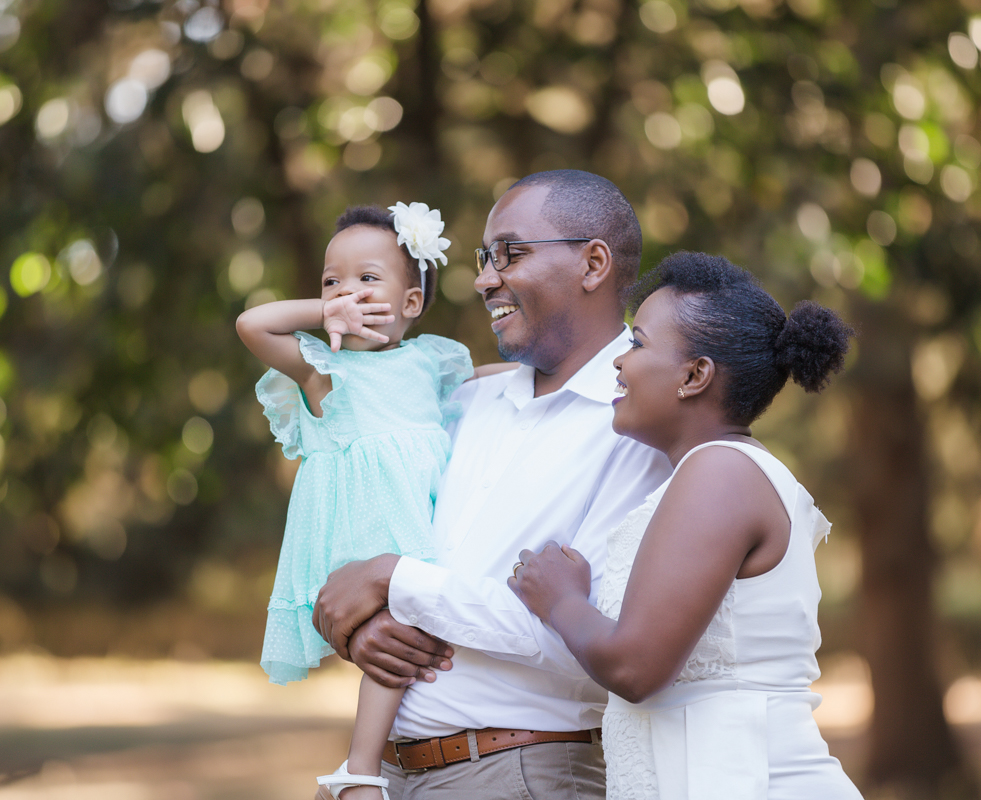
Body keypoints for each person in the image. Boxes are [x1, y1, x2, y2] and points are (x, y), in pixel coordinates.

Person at [312, 171, 673, 799]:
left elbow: (594, 647)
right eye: (484, 257)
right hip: (384, 775)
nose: (483, 278)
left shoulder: (639, 429)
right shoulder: (464, 401)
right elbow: (381, 531)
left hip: (519, 774)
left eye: (510, 254)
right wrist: (366, 628)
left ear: (593, 263)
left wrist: (393, 579)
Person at [508, 251, 864, 799]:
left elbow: (636, 667)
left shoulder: (719, 471)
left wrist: (560, 601)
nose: (619, 363)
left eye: (637, 343)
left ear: (695, 375)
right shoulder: (716, 471)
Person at [237, 202, 510, 800]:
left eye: (367, 280)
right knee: (393, 626)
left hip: (423, 514)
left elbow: (496, 381)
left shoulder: (431, 360)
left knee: (415, 636)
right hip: (363, 525)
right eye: (332, 281)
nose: (346, 294)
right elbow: (253, 325)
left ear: (410, 304)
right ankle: (359, 768)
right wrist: (322, 313)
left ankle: (373, 764)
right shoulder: (323, 369)